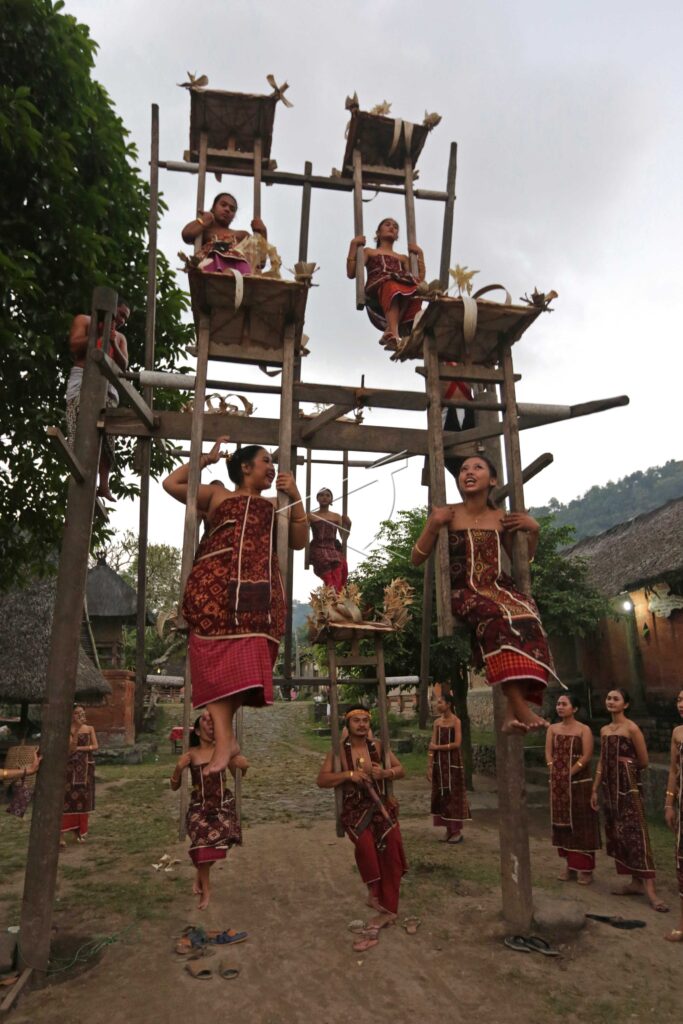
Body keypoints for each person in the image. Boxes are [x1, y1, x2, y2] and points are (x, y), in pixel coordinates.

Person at [163, 437, 307, 775]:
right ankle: (227, 741)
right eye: (266, 461)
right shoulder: (216, 495)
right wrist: (205, 459)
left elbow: (299, 541)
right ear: (245, 467)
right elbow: (172, 483)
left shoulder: (276, 504)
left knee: (244, 666)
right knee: (210, 660)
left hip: (259, 597)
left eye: (273, 463)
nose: (273, 468)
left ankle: (226, 742)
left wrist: (296, 496)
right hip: (213, 589)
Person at [411, 454, 553, 734]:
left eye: (478, 467)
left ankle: (510, 715)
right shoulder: (447, 513)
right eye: (464, 469)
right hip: (464, 592)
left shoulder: (502, 518)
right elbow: (416, 558)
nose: (469, 472)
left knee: (529, 616)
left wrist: (534, 531)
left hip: (500, 588)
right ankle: (521, 709)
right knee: (497, 617)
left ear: (493, 479)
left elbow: (522, 559)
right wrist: (433, 523)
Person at [317, 706, 407, 952]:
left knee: (393, 847)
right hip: (355, 811)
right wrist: (348, 775)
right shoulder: (338, 753)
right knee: (366, 848)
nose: (362, 724)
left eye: (365, 720)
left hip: (381, 807)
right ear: (347, 723)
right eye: (356, 720)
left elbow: (401, 770)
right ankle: (373, 893)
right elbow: (322, 780)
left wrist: (385, 772)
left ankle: (388, 906)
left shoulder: (377, 747)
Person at [591, 688, 668, 912]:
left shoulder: (631, 728)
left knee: (637, 833)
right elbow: (601, 762)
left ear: (626, 704)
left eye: (616, 699)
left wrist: (625, 770)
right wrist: (595, 788)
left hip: (629, 788)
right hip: (609, 789)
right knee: (619, 833)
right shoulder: (605, 730)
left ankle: (651, 890)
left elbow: (643, 760)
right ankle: (635, 883)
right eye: (608, 698)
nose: (611, 702)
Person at [170, 710, 246, 911]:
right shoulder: (191, 754)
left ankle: (199, 874)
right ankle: (207, 888)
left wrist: (242, 766)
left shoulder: (223, 750)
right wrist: (178, 768)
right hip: (200, 807)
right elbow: (174, 786)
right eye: (205, 719)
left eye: (213, 719)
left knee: (225, 836)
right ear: (197, 729)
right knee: (202, 838)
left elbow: (237, 772)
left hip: (222, 804)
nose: (210, 721)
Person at [67, 300, 130, 501]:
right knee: (77, 420)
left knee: (106, 431)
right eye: (119, 314)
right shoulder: (84, 321)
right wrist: (97, 334)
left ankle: (104, 484)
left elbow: (124, 367)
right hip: (82, 377)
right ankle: (79, 472)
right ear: (109, 308)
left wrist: (111, 341)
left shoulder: (119, 338)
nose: (120, 320)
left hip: (108, 385)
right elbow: (75, 347)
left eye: (124, 318)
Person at [347, 217, 425, 351]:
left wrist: (420, 254)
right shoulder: (369, 252)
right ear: (378, 233)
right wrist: (354, 245)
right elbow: (351, 272)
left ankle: (393, 331)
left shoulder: (402, 258)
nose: (392, 227)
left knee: (416, 289)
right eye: (387, 225)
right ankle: (393, 333)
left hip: (399, 286)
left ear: (397, 235)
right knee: (391, 285)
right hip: (378, 284)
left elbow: (419, 279)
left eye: (395, 227)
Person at [546, 693, 600, 884]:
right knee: (563, 825)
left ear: (574, 708)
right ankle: (569, 866)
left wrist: (569, 773)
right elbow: (548, 753)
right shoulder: (552, 729)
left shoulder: (583, 730)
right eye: (558, 703)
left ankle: (586, 869)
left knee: (582, 824)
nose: (560, 707)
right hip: (559, 786)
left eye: (564, 704)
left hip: (579, 783)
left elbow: (586, 756)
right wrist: (554, 770)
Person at [181, 192, 267, 275]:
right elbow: (186, 235)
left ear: (234, 216)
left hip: (238, 281)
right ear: (213, 208)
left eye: (232, 209)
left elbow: (260, 262)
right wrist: (203, 220)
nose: (227, 209)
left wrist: (263, 233)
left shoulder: (242, 235)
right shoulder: (205, 231)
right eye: (223, 205)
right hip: (210, 278)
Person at [427, 692, 470, 843]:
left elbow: (457, 743)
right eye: (437, 702)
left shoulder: (456, 721)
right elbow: (431, 745)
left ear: (448, 704)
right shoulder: (437, 723)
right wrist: (430, 765)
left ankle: (456, 831)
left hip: (453, 763)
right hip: (440, 763)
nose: (438, 705)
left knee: (453, 794)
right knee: (441, 794)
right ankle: (447, 829)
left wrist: (438, 747)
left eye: (440, 702)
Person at [60, 705, 98, 844]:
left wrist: (81, 749)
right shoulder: (69, 730)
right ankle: (61, 834)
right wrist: (76, 730)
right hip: (71, 768)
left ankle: (79, 831)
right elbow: (70, 749)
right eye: (77, 713)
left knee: (83, 800)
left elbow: (95, 746)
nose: (80, 715)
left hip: (86, 767)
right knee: (67, 800)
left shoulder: (89, 729)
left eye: (82, 712)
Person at [664, 689, 683, 941]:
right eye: (679, 699)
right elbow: (673, 769)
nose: (681, 704)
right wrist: (669, 803)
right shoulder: (678, 733)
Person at [308, 487, 351, 593]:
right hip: (318, 547)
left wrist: (349, 525)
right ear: (317, 498)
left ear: (331, 499)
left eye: (327, 495)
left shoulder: (336, 516)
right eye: (321, 495)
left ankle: (337, 599)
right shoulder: (311, 515)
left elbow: (344, 537)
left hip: (333, 548)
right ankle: (332, 598)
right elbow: (303, 532)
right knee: (328, 575)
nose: (324, 497)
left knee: (341, 569)